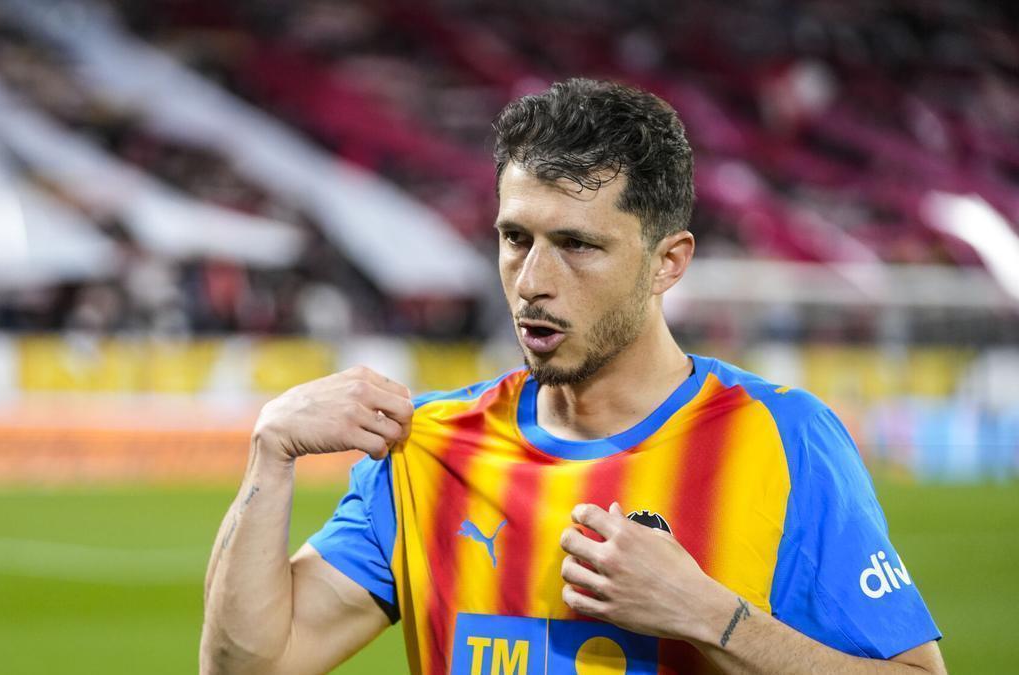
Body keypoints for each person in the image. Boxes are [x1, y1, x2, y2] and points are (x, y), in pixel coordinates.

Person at [200, 78, 945, 675]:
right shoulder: (429, 449)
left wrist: (708, 616)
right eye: (515, 238)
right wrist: (270, 454)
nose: (532, 281)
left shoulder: (784, 438)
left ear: (668, 262)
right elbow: (246, 666)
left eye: (577, 245)